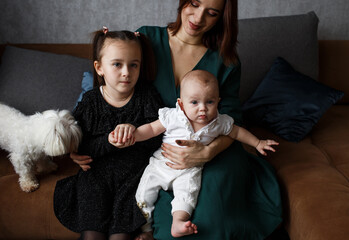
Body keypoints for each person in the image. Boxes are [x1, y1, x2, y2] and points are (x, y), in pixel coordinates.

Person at [72, 0, 283, 239]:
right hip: (160, 151)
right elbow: (112, 85)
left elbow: (232, 123)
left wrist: (207, 152)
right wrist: (82, 142)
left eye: (212, 13)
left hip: (214, 148)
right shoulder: (147, 39)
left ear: (222, 18)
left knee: (210, 215)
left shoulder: (226, 61)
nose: (198, 18)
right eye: (194, 4)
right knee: (159, 210)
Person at [109, 70, 279, 238]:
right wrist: (134, 135)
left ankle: (178, 223)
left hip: (190, 169)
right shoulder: (174, 116)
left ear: (218, 102)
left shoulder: (219, 122)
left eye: (210, 102)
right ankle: (146, 230)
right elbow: (152, 128)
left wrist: (258, 143)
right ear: (181, 103)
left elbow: (237, 132)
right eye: (195, 102)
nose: (203, 109)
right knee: (143, 195)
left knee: (187, 195)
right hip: (162, 164)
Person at [53, 28, 163, 240]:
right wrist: (109, 141)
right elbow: (80, 145)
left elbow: (159, 138)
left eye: (134, 65)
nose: (126, 72)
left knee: (120, 237)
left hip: (132, 179)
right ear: (99, 68)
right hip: (96, 178)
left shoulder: (146, 96)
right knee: (92, 235)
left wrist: (135, 132)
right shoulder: (91, 101)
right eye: (117, 64)